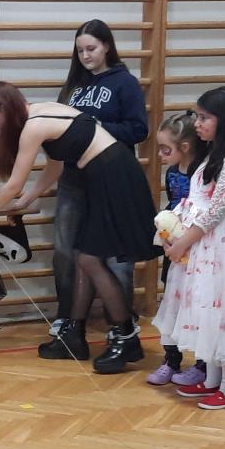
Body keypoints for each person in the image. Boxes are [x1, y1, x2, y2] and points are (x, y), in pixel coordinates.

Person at [0, 81, 157, 374]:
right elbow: (56, 165)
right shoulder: (40, 112)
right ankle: (74, 335)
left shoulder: (33, 126)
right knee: (83, 254)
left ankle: (126, 336)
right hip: (103, 176)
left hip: (113, 175)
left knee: (90, 258)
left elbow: (14, 184)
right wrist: (28, 199)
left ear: (4, 109)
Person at [151, 88, 225, 409]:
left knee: (221, 309)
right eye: (198, 116)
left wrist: (183, 241)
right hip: (200, 241)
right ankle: (211, 379)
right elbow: (194, 201)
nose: (198, 123)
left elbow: (215, 211)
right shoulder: (211, 154)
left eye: (205, 117)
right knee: (204, 307)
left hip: (216, 241)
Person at [50, 20, 150, 341]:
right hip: (74, 180)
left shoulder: (125, 83)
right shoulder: (72, 86)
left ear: (107, 46)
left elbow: (138, 129)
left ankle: (120, 322)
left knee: (115, 256)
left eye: (91, 48)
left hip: (110, 182)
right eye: (80, 50)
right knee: (66, 250)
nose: (85, 56)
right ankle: (68, 317)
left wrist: (96, 126)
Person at [146, 111, 207, 387]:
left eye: (165, 149)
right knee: (171, 301)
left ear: (185, 146)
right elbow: (173, 207)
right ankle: (171, 359)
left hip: (198, 250)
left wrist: (186, 240)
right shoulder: (172, 173)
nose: (160, 154)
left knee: (198, 305)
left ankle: (202, 364)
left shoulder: (203, 173)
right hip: (175, 250)